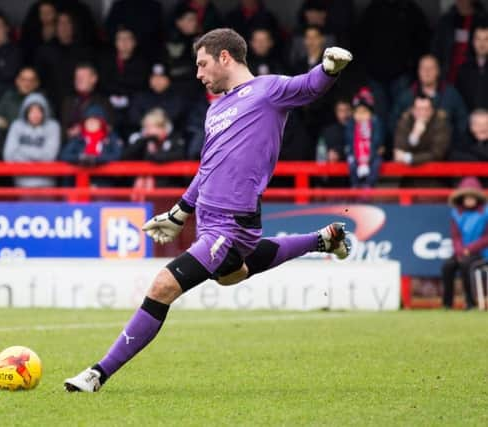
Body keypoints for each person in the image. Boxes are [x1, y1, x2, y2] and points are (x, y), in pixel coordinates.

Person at [64, 28, 353, 392]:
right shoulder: (216, 109)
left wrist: (329, 69)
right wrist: (180, 213)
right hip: (208, 221)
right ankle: (322, 240)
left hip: (232, 224)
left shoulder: (267, 91)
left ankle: (97, 374)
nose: (199, 73)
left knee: (163, 285)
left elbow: (308, 86)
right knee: (233, 274)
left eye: (202, 64)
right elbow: (207, 167)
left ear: (225, 58)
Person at [442, 176, 488, 309]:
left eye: (472, 197)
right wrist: (460, 251)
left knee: (465, 265)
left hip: (481, 253)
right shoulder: (456, 213)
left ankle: (470, 303)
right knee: (447, 266)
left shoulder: (485, 213)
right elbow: (455, 237)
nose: (469, 200)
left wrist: (469, 249)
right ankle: (447, 304)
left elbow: (486, 238)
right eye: (466, 197)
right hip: (462, 252)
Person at [3, 93, 60, 188]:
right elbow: (9, 155)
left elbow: (49, 157)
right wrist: (38, 158)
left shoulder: (53, 126)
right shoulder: (16, 125)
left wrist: (21, 150)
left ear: (44, 112)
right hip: (21, 183)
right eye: (32, 111)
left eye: (39, 111)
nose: (35, 114)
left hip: (47, 184)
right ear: (26, 112)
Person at [432, 0, 487, 84]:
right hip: (448, 73)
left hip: (474, 76)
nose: (461, 1)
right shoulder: (446, 21)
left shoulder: (483, 20)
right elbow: (436, 49)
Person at [393, 95, 451, 166]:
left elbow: (437, 153)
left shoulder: (441, 123)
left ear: (432, 111)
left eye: (426, 109)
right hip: (407, 172)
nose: (422, 113)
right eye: (419, 109)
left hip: (435, 172)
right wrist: (414, 135)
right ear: (412, 110)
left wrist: (409, 158)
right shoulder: (405, 122)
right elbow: (399, 152)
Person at [344, 89, 384, 188]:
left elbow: (377, 141)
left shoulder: (375, 123)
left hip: (372, 154)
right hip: (355, 154)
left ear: (370, 114)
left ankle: (368, 187)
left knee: (376, 164)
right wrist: (359, 158)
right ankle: (355, 187)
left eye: (364, 112)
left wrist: (368, 158)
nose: (361, 116)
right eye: (358, 112)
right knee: (351, 163)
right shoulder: (351, 125)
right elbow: (350, 142)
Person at [456, 24, 488, 111]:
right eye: (478, 39)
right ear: (473, 41)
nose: (482, 44)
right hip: (470, 120)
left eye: (486, 39)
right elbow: (459, 101)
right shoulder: (464, 69)